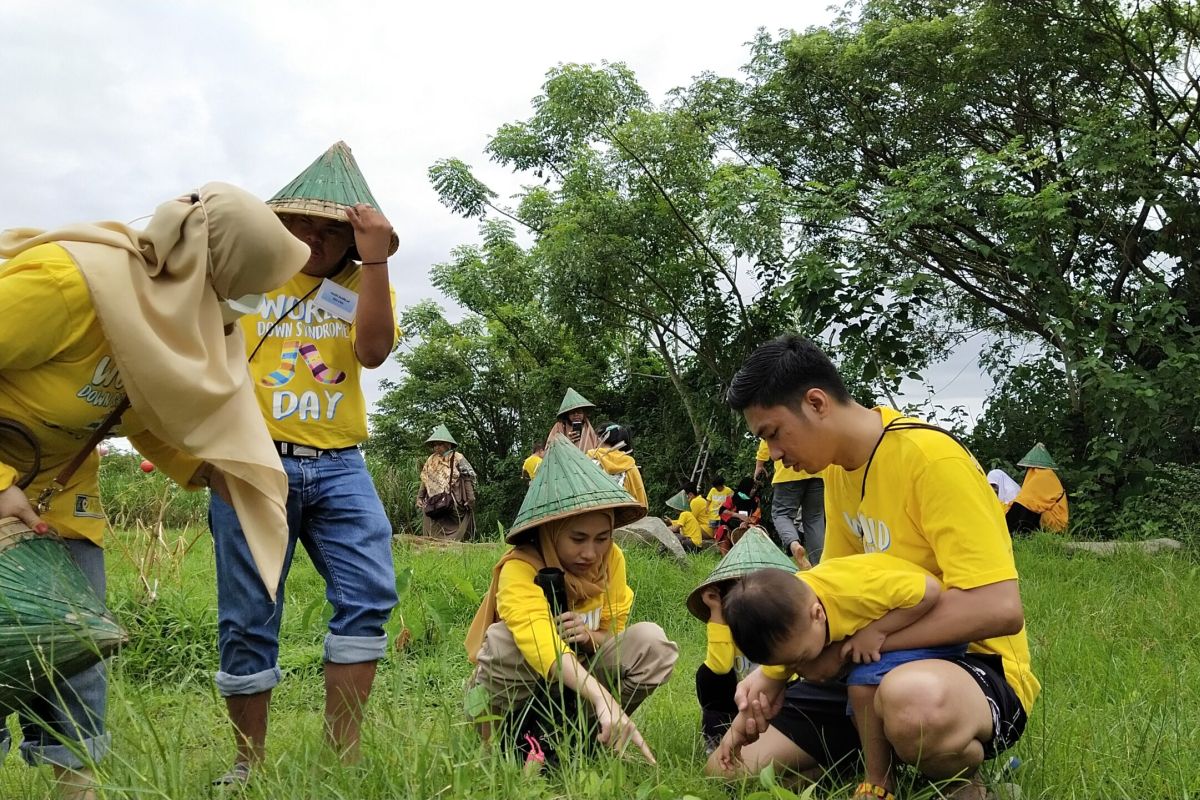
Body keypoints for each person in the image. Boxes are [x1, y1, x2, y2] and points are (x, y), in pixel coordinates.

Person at [0, 182, 309, 800]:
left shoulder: (154, 320)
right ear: (199, 271)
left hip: (58, 502)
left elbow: (138, 408)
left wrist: (208, 470)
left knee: (74, 653)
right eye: (231, 294)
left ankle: (77, 791)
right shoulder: (66, 288)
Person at [712, 334, 1038, 800]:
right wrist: (774, 672)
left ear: (817, 402)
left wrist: (854, 651)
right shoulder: (837, 473)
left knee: (913, 705)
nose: (775, 454)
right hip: (869, 671)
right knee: (730, 768)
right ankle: (874, 756)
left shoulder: (931, 459)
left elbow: (999, 608)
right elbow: (829, 597)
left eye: (773, 433)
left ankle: (960, 781)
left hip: (971, 665)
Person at [207, 142, 401, 784]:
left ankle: (343, 757)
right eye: (301, 224)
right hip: (254, 462)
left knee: (368, 592)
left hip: (342, 463)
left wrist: (375, 261)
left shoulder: (361, 280)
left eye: (332, 229)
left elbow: (372, 352)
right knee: (249, 612)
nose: (314, 237)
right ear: (278, 225)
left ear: (353, 239)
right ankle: (248, 765)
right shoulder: (245, 277)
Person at [464, 434, 678, 767]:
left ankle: (589, 736)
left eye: (602, 538)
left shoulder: (612, 559)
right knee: (504, 640)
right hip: (518, 686)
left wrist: (590, 637)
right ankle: (495, 749)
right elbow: (536, 636)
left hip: (579, 677)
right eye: (577, 538)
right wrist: (601, 696)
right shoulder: (521, 566)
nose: (591, 552)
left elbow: (615, 633)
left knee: (652, 643)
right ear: (550, 530)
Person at [722, 554, 965, 800]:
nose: (798, 668)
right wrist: (737, 731)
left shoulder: (852, 595)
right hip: (892, 626)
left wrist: (877, 631)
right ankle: (863, 760)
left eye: (802, 658)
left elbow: (930, 590)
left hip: (929, 625)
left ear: (818, 615)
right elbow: (775, 674)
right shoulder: (790, 617)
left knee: (862, 682)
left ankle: (879, 782)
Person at [685, 527, 798, 754]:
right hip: (734, 705)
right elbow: (719, 666)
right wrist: (717, 613)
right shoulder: (728, 629)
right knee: (708, 678)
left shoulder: (781, 631)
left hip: (775, 702)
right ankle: (715, 743)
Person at [756, 437, 826, 565]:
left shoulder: (776, 417)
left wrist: (760, 464)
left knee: (781, 514)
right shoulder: (813, 415)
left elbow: (767, 438)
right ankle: (819, 565)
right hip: (817, 471)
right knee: (815, 519)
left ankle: (794, 544)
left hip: (788, 472)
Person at [417, 424, 477, 540]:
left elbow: (467, 477)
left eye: (439, 444)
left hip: (453, 498)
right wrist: (420, 497)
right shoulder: (431, 459)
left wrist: (471, 497)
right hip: (434, 501)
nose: (436, 447)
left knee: (459, 523)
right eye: (435, 445)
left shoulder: (458, 457)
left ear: (447, 445)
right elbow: (425, 479)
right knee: (434, 525)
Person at [1007, 444, 1069, 534]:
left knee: (1020, 508)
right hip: (1056, 522)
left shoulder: (1042, 476)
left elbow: (1026, 502)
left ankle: (1012, 534)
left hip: (1052, 524)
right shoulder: (1050, 476)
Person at [587, 422, 647, 507]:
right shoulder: (629, 464)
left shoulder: (588, 460)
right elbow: (639, 495)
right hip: (624, 513)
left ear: (600, 438)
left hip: (594, 512)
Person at [713, 477, 762, 553]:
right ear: (746, 488)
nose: (754, 490)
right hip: (731, 527)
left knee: (757, 529)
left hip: (748, 527)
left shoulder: (755, 500)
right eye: (752, 488)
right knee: (722, 529)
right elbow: (722, 511)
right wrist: (738, 515)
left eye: (755, 488)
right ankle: (726, 557)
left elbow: (756, 516)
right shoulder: (733, 497)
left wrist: (747, 522)